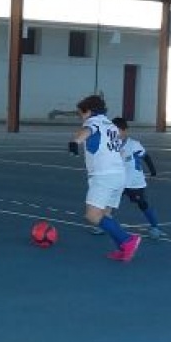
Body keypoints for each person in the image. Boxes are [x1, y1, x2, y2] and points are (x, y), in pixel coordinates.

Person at [69, 95, 141, 261]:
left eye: (81, 113)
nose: (81, 117)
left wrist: (75, 142)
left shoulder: (92, 122)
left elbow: (88, 131)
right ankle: (123, 248)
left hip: (104, 176)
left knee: (93, 216)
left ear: (89, 111)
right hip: (118, 175)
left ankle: (128, 240)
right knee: (105, 215)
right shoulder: (111, 125)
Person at [112, 117, 163, 239]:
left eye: (116, 130)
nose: (114, 133)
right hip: (118, 181)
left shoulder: (134, 145)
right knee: (109, 204)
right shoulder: (111, 145)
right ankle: (103, 225)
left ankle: (155, 226)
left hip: (135, 183)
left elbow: (146, 157)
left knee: (142, 204)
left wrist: (153, 171)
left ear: (124, 130)